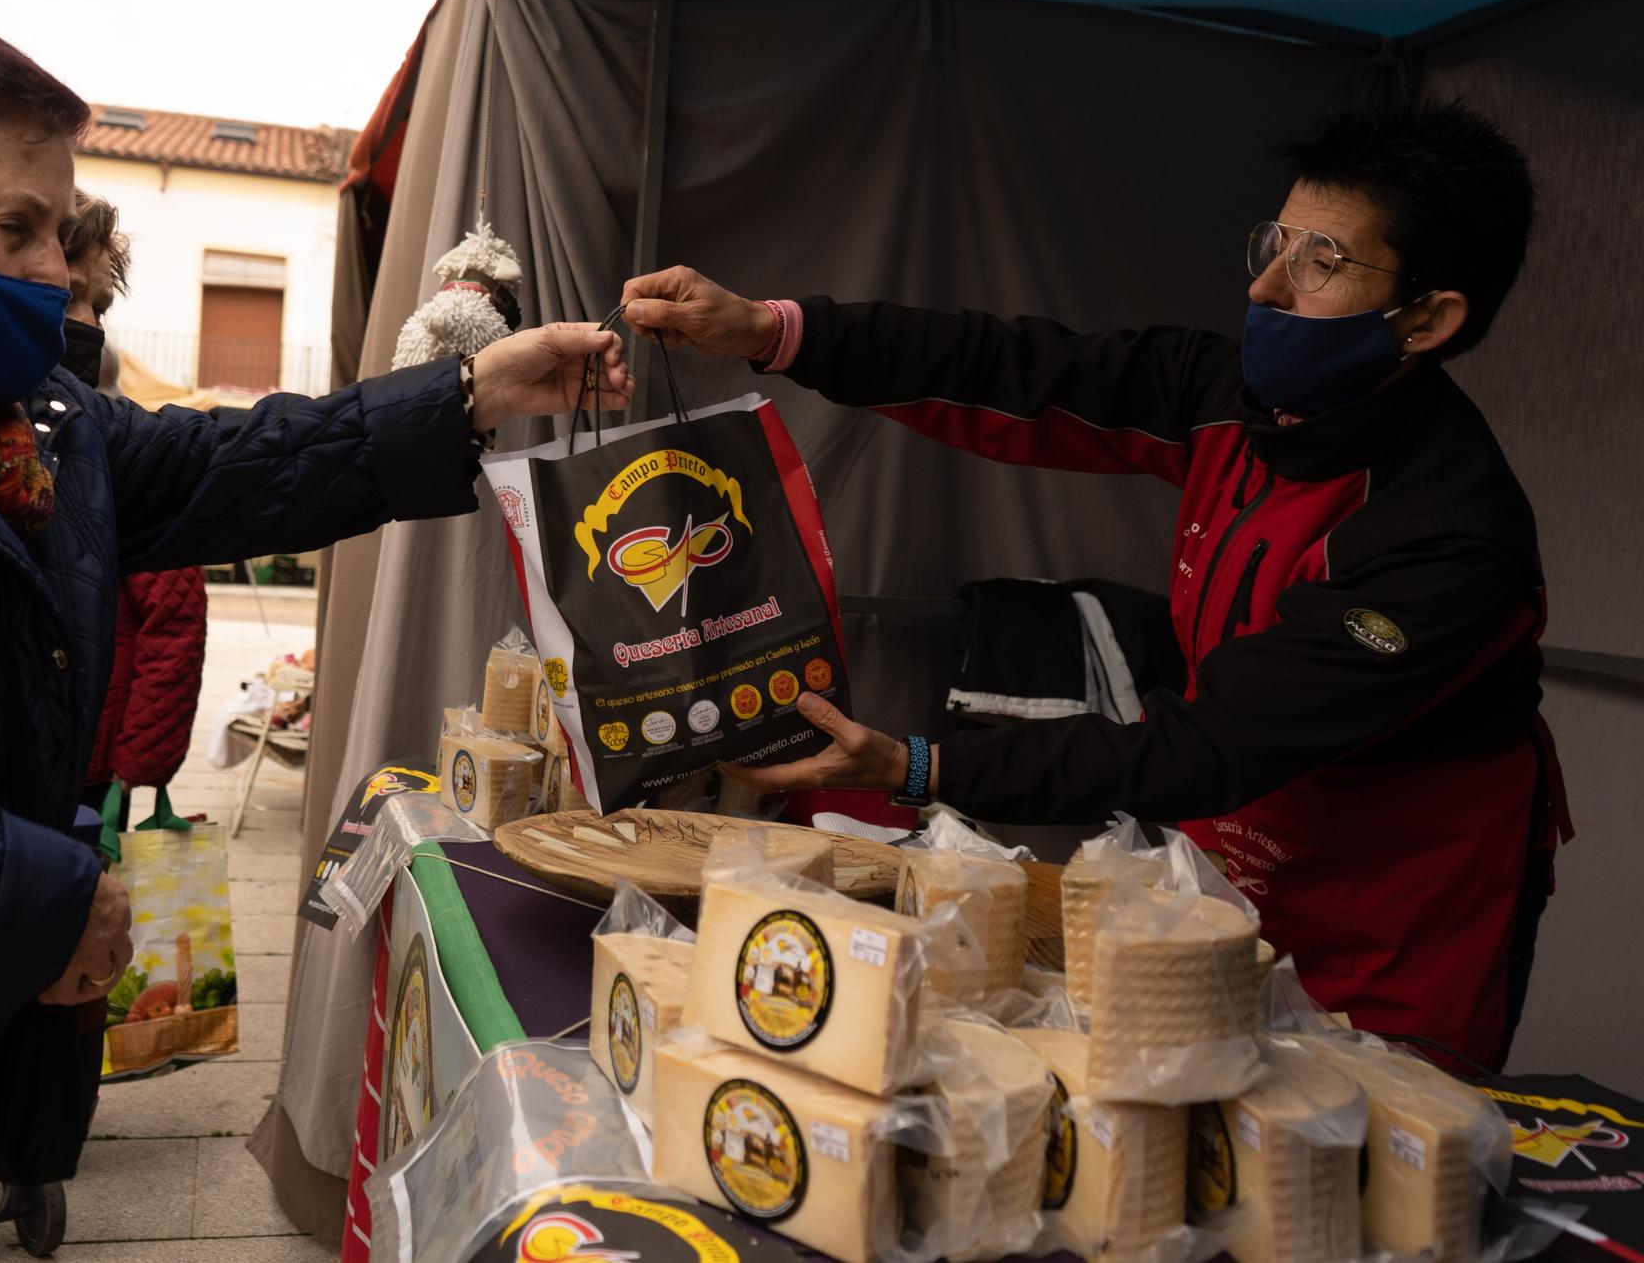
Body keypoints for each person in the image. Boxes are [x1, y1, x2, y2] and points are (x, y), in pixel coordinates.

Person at [0, 15, 629, 1263]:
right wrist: (42, 906)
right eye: (14, 229)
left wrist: (475, 390)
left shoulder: (15, 418)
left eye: (61, 227)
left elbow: (244, 460)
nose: (56, 268)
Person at [621, 100, 1562, 1071]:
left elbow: (1209, 745)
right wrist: (770, 332)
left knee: (1358, 1169)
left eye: (1321, 262)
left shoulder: (1445, 537)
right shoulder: (1231, 396)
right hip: (1224, 867)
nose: (1264, 285)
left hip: (1393, 914)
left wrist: (918, 766)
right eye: (1273, 242)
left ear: (1427, 318)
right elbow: (1015, 372)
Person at [60, 192, 209, 831]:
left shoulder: (123, 459)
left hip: (95, 760)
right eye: (71, 298)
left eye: (98, 306)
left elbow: (174, 623)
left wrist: (138, 763)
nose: (87, 325)